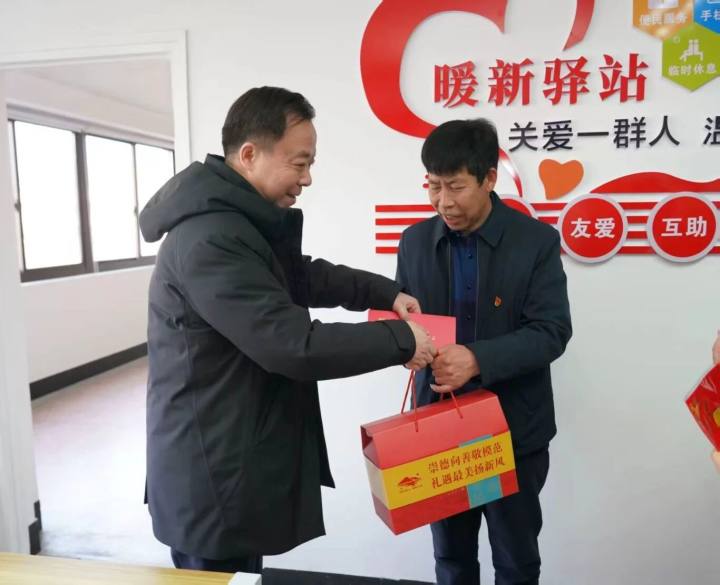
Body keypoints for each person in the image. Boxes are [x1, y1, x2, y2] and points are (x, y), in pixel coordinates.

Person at [139, 86, 436, 574]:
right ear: (249, 155)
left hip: (229, 452)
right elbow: (293, 345)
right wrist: (403, 341)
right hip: (212, 470)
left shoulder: (235, 224)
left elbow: (299, 276)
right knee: (220, 575)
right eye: (299, 163)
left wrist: (384, 294)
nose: (307, 178)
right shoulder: (210, 239)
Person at [395, 119, 572, 585]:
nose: (443, 202)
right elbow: (406, 319)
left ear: (490, 178)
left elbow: (552, 332)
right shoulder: (414, 242)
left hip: (512, 431)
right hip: (439, 430)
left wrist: (476, 359)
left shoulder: (535, 242)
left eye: (456, 187)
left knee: (515, 561)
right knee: (451, 559)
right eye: (433, 186)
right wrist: (402, 344)